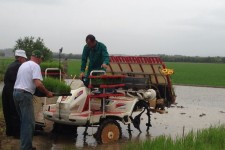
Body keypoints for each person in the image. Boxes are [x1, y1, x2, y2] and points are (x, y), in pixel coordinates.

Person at [13, 50, 53, 150]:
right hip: (24, 95)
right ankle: (26, 148)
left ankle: (26, 146)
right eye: (41, 59)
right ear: (38, 58)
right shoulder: (35, 66)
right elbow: (38, 84)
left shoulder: (24, 64)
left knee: (24, 122)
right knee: (29, 123)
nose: (41, 61)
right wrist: (47, 93)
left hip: (16, 93)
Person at [2, 50, 27, 138]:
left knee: (7, 111)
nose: (25, 60)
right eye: (24, 59)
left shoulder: (11, 65)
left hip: (5, 90)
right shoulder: (19, 66)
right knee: (15, 111)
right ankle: (17, 134)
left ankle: (9, 131)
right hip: (12, 89)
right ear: (20, 58)